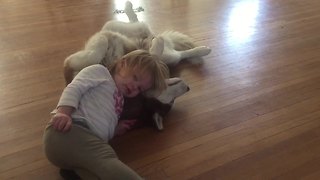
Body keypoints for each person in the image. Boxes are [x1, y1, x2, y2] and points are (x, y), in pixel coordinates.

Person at [43, 50, 169, 180]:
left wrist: (114, 130)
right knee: (107, 161)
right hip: (69, 131)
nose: (134, 86)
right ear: (122, 64)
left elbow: (102, 120)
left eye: (139, 88)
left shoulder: (120, 99)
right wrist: (63, 113)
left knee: (98, 171)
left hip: (78, 148)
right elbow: (74, 88)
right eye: (135, 77)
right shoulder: (100, 72)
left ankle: (73, 172)